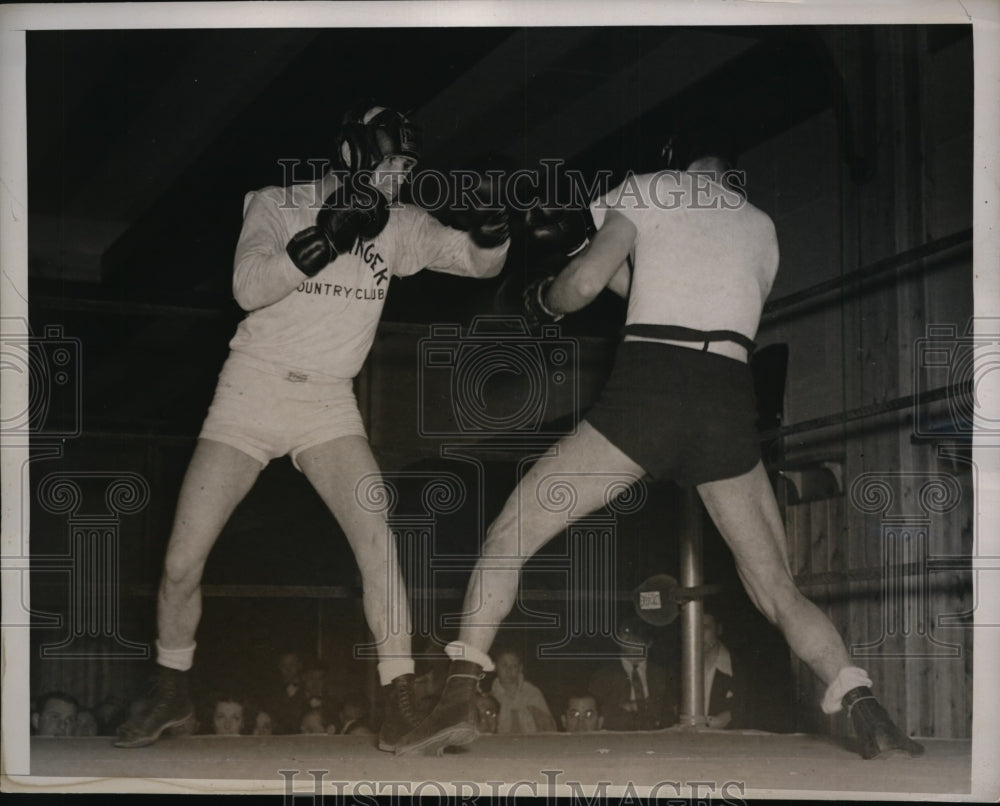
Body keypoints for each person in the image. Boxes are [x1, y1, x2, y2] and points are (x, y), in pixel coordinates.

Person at [395, 144, 923, 761]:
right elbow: (662, 288)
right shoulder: (761, 226)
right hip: (728, 397)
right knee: (777, 586)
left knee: (511, 533)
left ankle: (458, 694)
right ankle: (863, 702)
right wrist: (585, 249)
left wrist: (545, 298)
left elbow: (587, 285)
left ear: (685, 164)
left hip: (650, 388)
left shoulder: (649, 186)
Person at [113, 104, 510, 753]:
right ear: (354, 151)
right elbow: (246, 287)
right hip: (252, 390)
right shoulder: (277, 202)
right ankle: (171, 690)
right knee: (183, 561)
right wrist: (323, 238)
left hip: (327, 402)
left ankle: (399, 698)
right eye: (393, 161)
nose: (401, 176)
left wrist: (495, 233)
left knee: (378, 539)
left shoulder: (400, 225)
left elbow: (474, 261)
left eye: (409, 166)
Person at [587, 616, 674, 731]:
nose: (632, 640)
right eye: (627, 634)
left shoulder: (663, 675)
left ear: (649, 642)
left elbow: (670, 716)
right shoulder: (602, 676)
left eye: (639, 635)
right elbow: (597, 717)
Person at [489, 649, 557, 734]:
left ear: (520, 668)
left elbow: (549, 729)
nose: (508, 670)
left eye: (514, 666)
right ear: (495, 666)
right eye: (504, 665)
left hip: (531, 744)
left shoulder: (532, 693)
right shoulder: (489, 698)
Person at [702, 611, 743, 729]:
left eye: (705, 627)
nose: (698, 634)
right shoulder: (678, 670)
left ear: (719, 629)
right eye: (694, 627)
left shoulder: (739, 669)